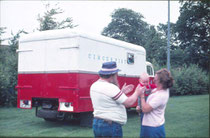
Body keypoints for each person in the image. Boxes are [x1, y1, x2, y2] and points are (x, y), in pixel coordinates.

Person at [90, 61, 143, 137]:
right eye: (116, 74)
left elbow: (108, 99)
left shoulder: (94, 85)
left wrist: (121, 92)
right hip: (110, 126)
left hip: (97, 124)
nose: (117, 75)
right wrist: (137, 92)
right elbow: (128, 102)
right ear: (112, 75)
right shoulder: (111, 88)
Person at [136, 68, 174, 138]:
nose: (153, 80)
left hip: (152, 128)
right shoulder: (157, 89)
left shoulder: (160, 95)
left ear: (160, 81)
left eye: (155, 79)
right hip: (151, 125)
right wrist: (139, 109)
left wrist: (141, 96)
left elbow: (145, 109)